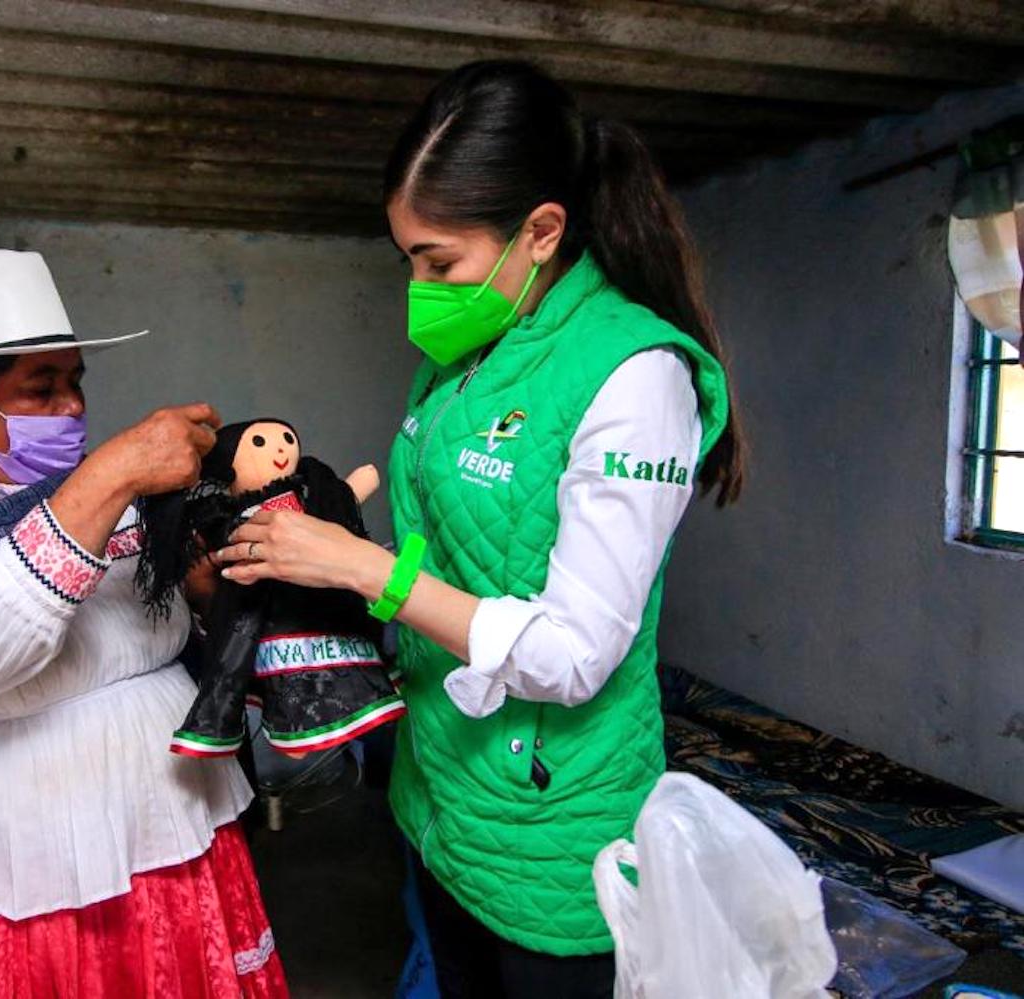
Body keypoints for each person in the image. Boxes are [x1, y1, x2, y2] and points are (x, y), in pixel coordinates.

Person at [215, 61, 744, 998]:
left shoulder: (634, 377)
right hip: (441, 785)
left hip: (548, 821)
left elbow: (574, 654)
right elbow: (456, 543)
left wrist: (368, 570)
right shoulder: (466, 357)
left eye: (439, 262)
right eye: (409, 261)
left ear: (541, 232)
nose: (420, 289)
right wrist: (334, 584)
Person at [0, 249, 287, 998]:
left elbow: (153, 631)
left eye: (75, 382)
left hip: (171, 826)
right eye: (41, 388)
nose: (72, 407)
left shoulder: (111, 501)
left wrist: (203, 595)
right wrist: (113, 470)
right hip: (15, 873)